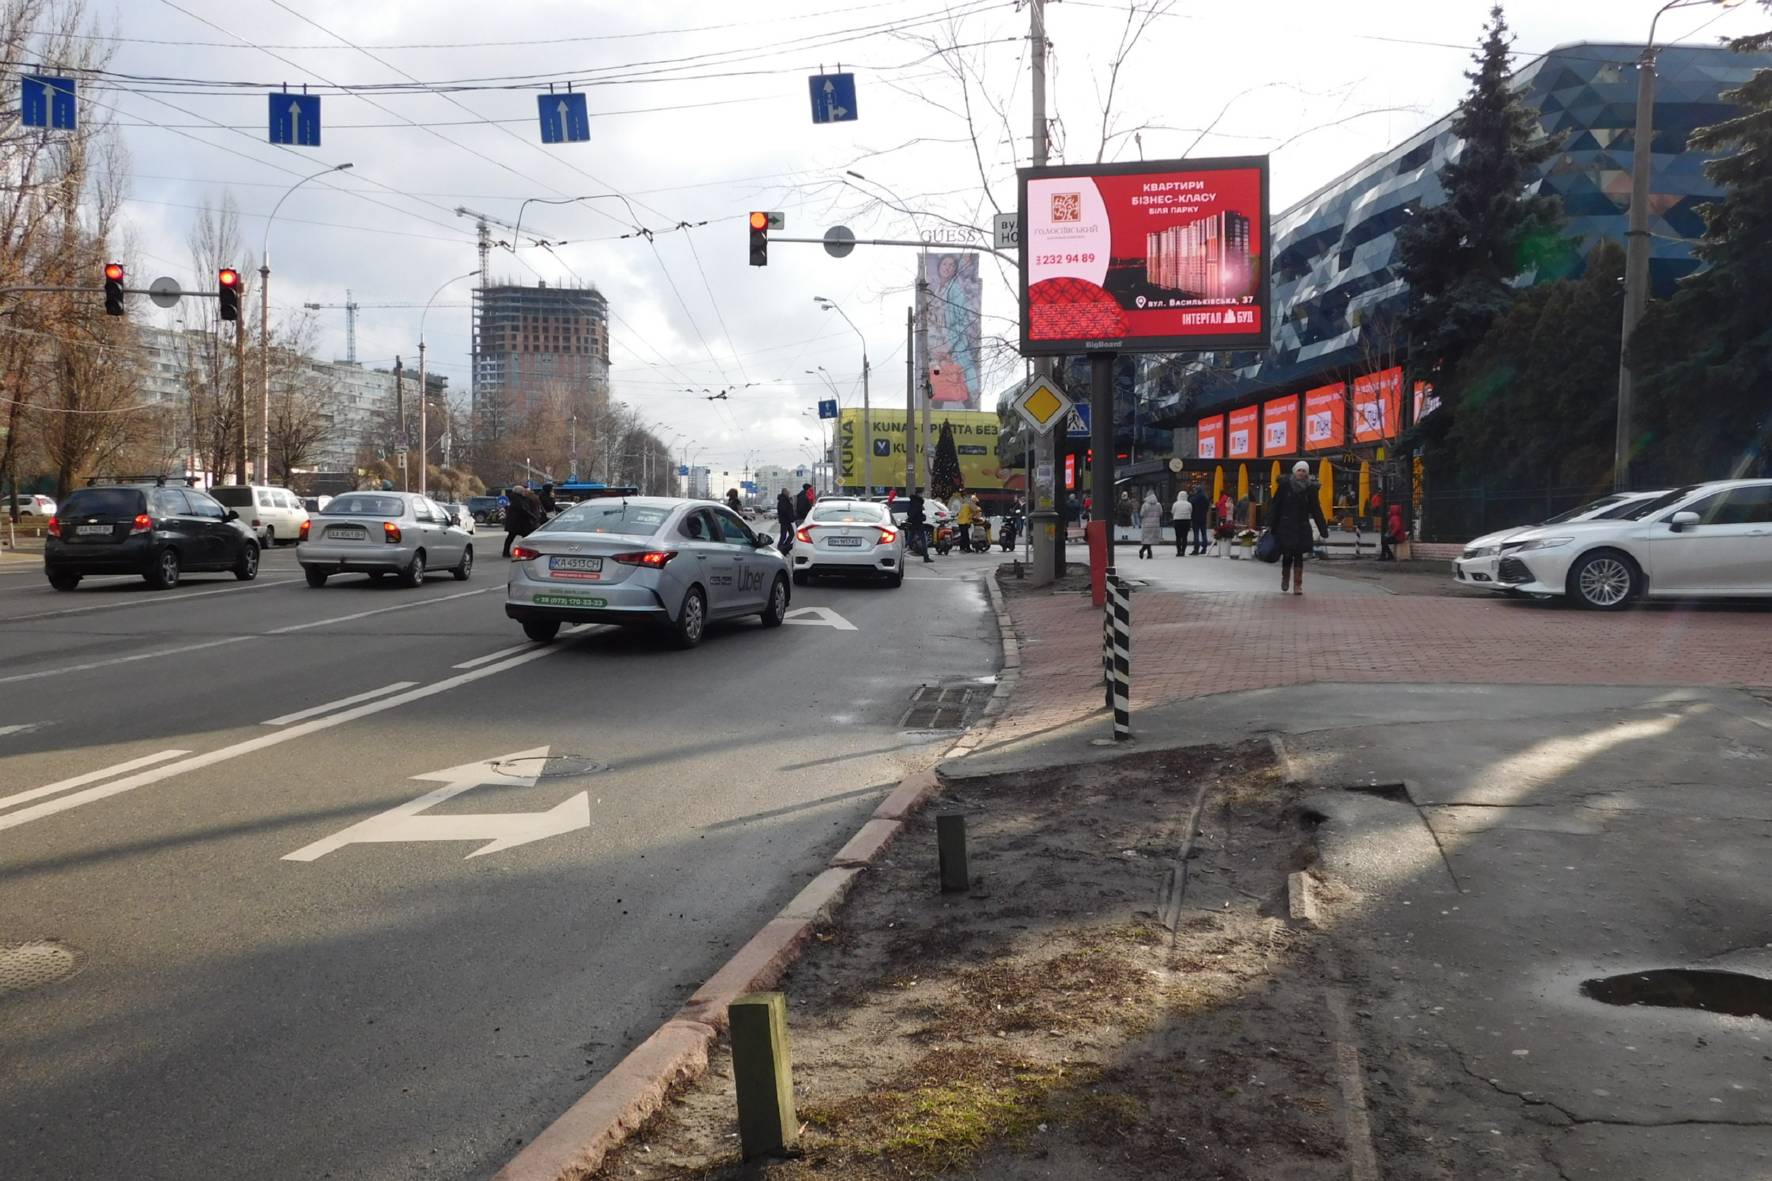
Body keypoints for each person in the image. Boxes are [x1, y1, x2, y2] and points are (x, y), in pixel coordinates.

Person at [1271, 460, 1329, 595]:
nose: (1301, 473)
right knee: (1287, 555)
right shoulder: (1285, 486)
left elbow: (1316, 510)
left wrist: (1323, 529)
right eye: (1299, 470)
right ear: (1294, 471)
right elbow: (1276, 507)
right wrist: (1272, 525)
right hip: (1286, 527)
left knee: (1298, 555)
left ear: (1307, 474)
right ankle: (1285, 578)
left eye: (1304, 471)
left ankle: (1298, 584)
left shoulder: (1311, 490)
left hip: (1301, 527)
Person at [502, 484, 536, 558]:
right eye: (523, 491)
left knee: (511, 537)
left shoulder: (516, 498)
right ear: (520, 492)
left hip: (516, 522)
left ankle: (506, 552)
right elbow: (523, 510)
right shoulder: (517, 500)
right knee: (526, 537)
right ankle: (528, 551)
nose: (524, 492)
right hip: (517, 522)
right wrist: (532, 516)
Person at [907, 488, 932, 562]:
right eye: (922, 493)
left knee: (909, 541)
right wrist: (922, 517)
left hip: (913, 524)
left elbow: (910, 513)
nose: (922, 495)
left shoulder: (913, 502)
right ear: (918, 494)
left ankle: (901, 552)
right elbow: (914, 513)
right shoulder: (917, 503)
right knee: (923, 541)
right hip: (917, 524)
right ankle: (926, 557)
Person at [1137, 491, 1163, 560]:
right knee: (1150, 540)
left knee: (1147, 539)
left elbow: (1141, 514)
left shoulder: (1145, 505)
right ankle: (1149, 553)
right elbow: (1161, 513)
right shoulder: (1158, 505)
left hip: (1147, 524)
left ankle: (1142, 550)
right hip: (1155, 525)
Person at [1171, 486, 1193, 556]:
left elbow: (1173, 511)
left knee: (1178, 537)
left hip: (1177, 521)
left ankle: (1178, 551)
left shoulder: (1175, 504)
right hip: (1186, 521)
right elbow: (1191, 511)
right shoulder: (1188, 504)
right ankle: (1183, 551)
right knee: (1184, 536)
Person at [1189, 482, 1210, 554]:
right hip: (1203, 517)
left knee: (1196, 534)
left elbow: (1191, 505)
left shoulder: (1195, 498)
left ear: (1197, 490)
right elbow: (1207, 507)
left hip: (1195, 518)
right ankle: (1204, 548)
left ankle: (1196, 549)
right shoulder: (1205, 497)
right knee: (1204, 533)